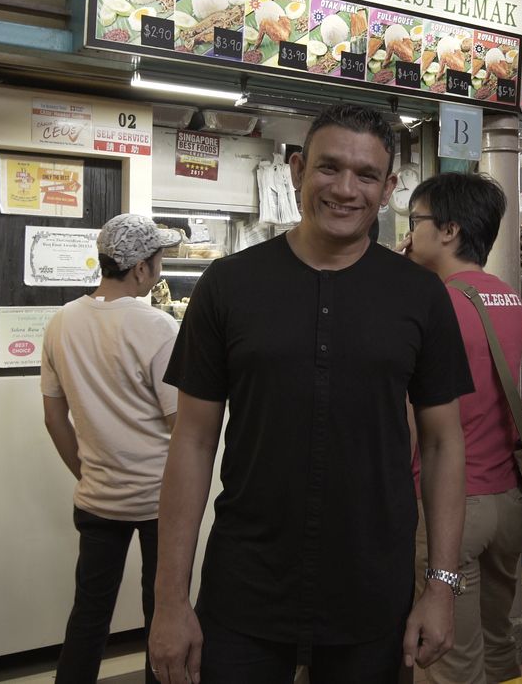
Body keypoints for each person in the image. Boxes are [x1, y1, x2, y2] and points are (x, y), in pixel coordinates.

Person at [148, 103, 474, 684]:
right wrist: (170, 599)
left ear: (389, 187)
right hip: (246, 587)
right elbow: (193, 443)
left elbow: (446, 445)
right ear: (297, 169)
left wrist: (441, 586)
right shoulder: (228, 285)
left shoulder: (420, 297)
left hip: (372, 592)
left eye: (366, 175)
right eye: (329, 168)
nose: (346, 189)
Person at [41, 213, 183, 684]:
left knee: (88, 617)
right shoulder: (158, 327)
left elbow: (53, 417)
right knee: (160, 616)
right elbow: (180, 426)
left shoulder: (61, 322)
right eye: (159, 260)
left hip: (97, 499)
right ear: (141, 268)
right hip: (158, 501)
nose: (160, 270)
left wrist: (85, 472)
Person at [399, 172, 522, 684]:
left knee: (448, 660)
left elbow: (412, 424)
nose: (408, 235)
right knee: (498, 646)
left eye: (414, 223)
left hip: (452, 508)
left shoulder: (434, 305)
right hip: (507, 503)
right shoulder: (508, 297)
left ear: (448, 230)